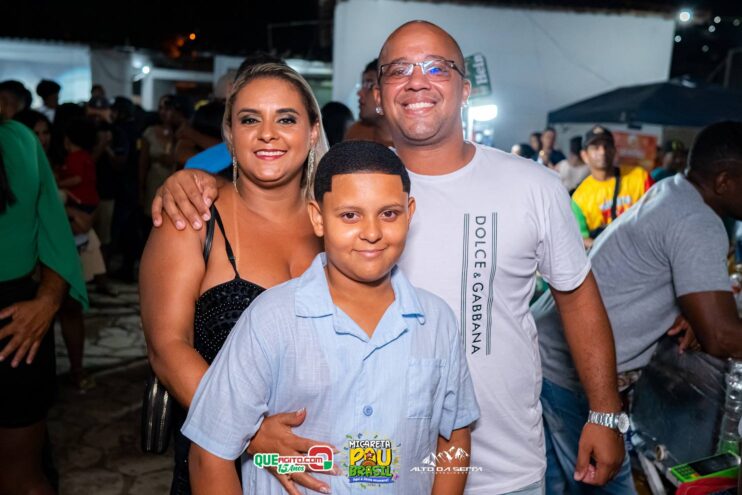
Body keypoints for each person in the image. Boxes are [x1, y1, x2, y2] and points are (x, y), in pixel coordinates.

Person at [151, 20, 626, 495]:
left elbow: (576, 299)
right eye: (399, 70)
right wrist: (247, 434)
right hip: (314, 465)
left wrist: (606, 413)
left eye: (436, 68)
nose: (371, 230)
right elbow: (180, 374)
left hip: (489, 467)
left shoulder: (518, 191)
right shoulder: (343, 188)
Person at [184, 140, 479, 494]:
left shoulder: (437, 322)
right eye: (350, 215)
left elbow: (454, 434)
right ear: (318, 218)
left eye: (389, 214)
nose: (372, 232)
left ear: (409, 212)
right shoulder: (271, 319)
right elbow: (210, 454)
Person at [139, 62, 328, 495]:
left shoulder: (339, 222)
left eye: (286, 119)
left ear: (313, 131)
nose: (268, 134)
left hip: (324, 456)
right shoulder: (192, 218)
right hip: (221, 462)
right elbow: (166, 348)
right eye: (249, 120)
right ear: (229, 133)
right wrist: (251, 431)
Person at [533, 120, 742, 494]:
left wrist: (693, 310)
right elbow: (722, 337)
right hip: (572, 370)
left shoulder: (672, 191)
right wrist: (708, 320)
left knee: (555, 484)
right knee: (606, 484)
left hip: (545, 350)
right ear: (724, 181)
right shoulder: (698, 220)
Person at [0, 115, 87, 495]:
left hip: (16, 327)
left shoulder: (17, 139)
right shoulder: (19, 137)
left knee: (21, 475)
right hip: (19, 321)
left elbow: (55, 232)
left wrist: (47, 301)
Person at [571, 126, 653, 249]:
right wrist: (603, 247)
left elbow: (659, 216)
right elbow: (580, 238)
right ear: (584, 155)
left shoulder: (640, 177)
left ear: (614, 150)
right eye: (596, 147)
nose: (602, 152)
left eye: (606, 146)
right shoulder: (579, 198)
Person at [344, 59, 393, 147]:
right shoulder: (356, 133)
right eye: (362, 85)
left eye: (369, 85)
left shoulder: (415, 139)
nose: (359, 93)